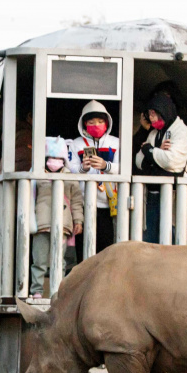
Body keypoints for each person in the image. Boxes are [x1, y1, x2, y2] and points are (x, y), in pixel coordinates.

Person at [30, 137, 83, 298]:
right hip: (41, 224)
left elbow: (76, 200)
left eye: (59, 159)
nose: (54, 161)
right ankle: (37, 291)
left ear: (64, 160)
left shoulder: (70, 177)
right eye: (51, 158)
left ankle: (58, 291)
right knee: (38, 260)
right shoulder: (37, 173)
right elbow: (29, 198)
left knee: (59, 261)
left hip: (63, 225)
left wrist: (78, 220)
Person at [135, 93, 187, 243]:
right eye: (149, 114)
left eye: (154, 113)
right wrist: (157, 152)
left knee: (171, 238)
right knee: (150, 240)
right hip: (153, 195)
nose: (151, 118)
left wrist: (149, 151)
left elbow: (172, 162)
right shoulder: (154, 133)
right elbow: (138, 161)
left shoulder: (181, 131)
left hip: (173, 194)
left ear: (164, 110)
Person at [68, 100, 120, 258]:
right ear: (84, 124)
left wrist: (106, 166)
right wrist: (83, 168)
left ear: (107, 122)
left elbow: (124, 168)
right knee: (84, 251)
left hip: (108, 204)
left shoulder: (116, 142)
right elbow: (69, 170)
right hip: (83, 203)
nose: (96, 125)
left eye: (100, 121)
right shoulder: (76, 144)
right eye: (91, 122)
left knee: (106, 251)